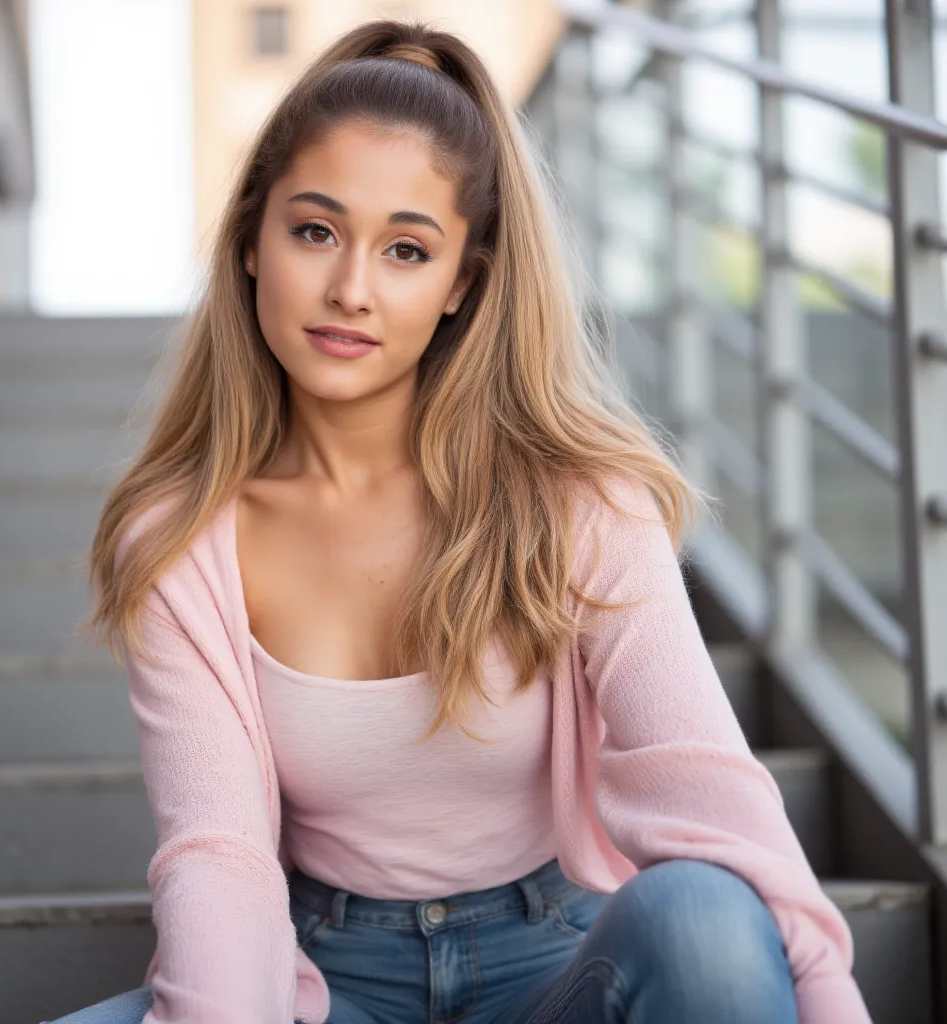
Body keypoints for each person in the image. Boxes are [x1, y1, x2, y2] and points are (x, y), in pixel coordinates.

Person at [51, 19, 871, 1024]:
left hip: (563, 967)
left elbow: (715, 803)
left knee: (702, 915)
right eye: (315, 230)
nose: (351, 288)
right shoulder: (181, 539)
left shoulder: (578, 501)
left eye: (406, 249)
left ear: (461, 285)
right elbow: (216, 851)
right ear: (252, 243)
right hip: (327, 982)